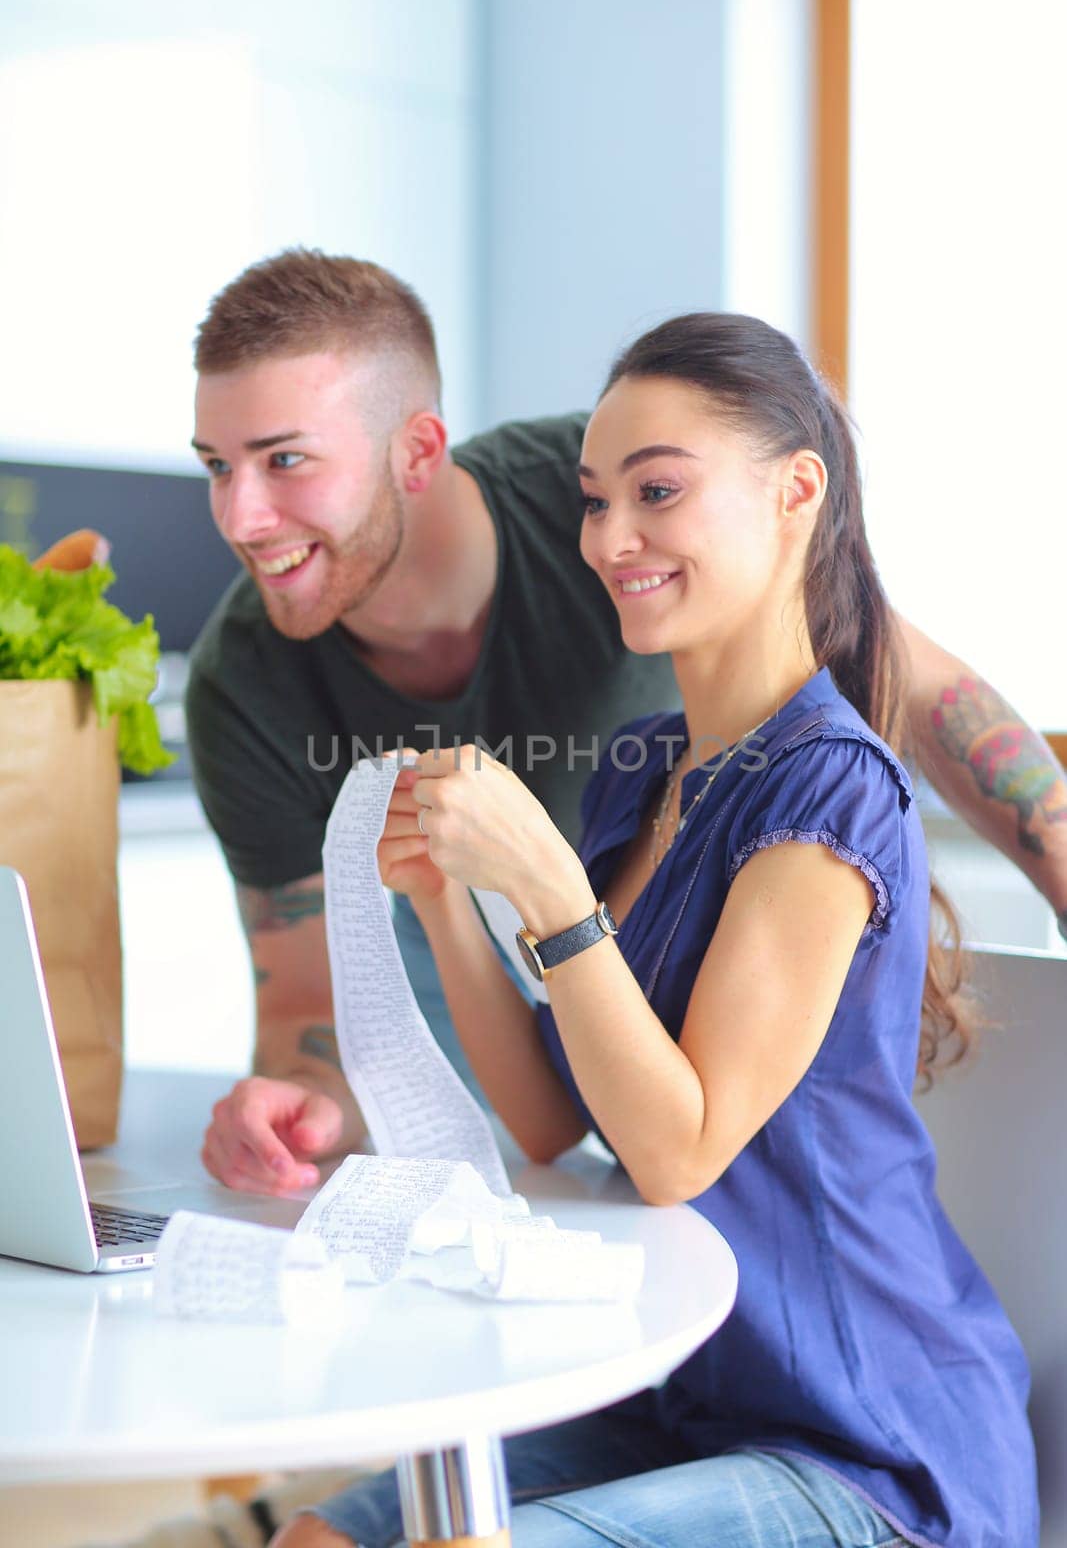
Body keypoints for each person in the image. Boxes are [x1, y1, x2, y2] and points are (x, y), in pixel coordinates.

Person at [274, 312, 1038, 1548]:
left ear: (796, 493)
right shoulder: (644, 769)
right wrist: (444, 893)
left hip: (863, 1442)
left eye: (657, 491)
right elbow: (549, 1114)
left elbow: (676, 1149)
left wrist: (550, 893)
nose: (610, 539)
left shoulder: (833, 789)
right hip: (679, 1387)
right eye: (592, 499)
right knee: (324, 1535)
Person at [186, 249, 1067, 1205]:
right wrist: (311, 1094)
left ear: (418, 451)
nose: (239, 515)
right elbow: (351, 1029)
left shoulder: (818, 780)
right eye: (216, 467)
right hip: (545, 1149)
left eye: (284, 460)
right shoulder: (625, 773)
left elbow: (898, 668)